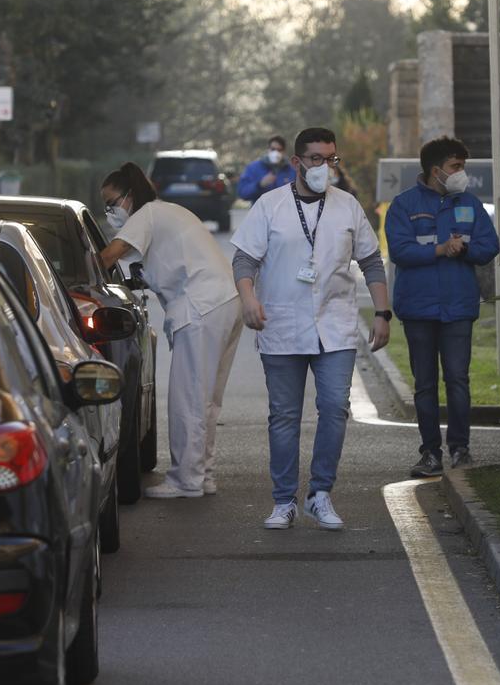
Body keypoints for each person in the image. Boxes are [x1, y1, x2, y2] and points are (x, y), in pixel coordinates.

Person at [230, 127, 391, 531]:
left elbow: (371, 262)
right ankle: (283, 500)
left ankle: (320, 494)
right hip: (281, 323)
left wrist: (383, 313)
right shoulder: (269, 206)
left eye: (331, 158)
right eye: (317, 159)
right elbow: (244, 260)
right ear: (297, 162)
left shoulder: (347, 206)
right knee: (284, 416)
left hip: (335, 325)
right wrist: (248, 299)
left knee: (335, 408)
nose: (325, 167)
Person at [98, 162, 243, 499]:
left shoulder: (146, 214)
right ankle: (203, 474)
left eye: (112, 202)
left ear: (129, 196)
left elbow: (111, 255)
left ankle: (185, 480)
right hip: (223, 301)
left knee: (188, 397)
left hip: (201, 306)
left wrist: (68, 275)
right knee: (206, 399)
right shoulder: (167, 213)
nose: (109, 211)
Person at [386, 136, 500, 478]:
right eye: (455, 167)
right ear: (436, 170)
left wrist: (463, 250)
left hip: (458, 306)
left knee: (458, 379)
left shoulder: (469, 203)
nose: (460, 173)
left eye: (462, 167)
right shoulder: (404, 205)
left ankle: (460, 449)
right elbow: (400, 251)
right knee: (424, 383)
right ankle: (430, 452)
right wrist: (439, 249)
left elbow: (489, 244)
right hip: (419, 308)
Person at [237, 135, 295, 203]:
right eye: (273, 149)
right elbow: (242, 193)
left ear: (284, 152)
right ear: (268, 149)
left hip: (284, 211)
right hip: (261, 212)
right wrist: (259, 185)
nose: (275, 152)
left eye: (279, 150)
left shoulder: (291, 170)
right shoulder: (253, 168)